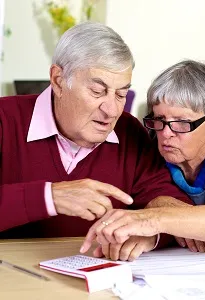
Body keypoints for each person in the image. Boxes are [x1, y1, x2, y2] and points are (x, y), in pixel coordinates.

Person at [0, 22, 192, 260]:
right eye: (97, 91)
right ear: (58, 80)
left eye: (121, 94)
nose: (112, 110)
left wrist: (151, 232)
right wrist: (49, 196)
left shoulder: (129, 131)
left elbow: (171, 203)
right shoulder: (4, 120)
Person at [81, 60, 205, 258]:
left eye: (183, 123)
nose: (166, 133)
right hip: (173, 261)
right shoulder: (147, 146)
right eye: (159, 119)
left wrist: (155, 216)